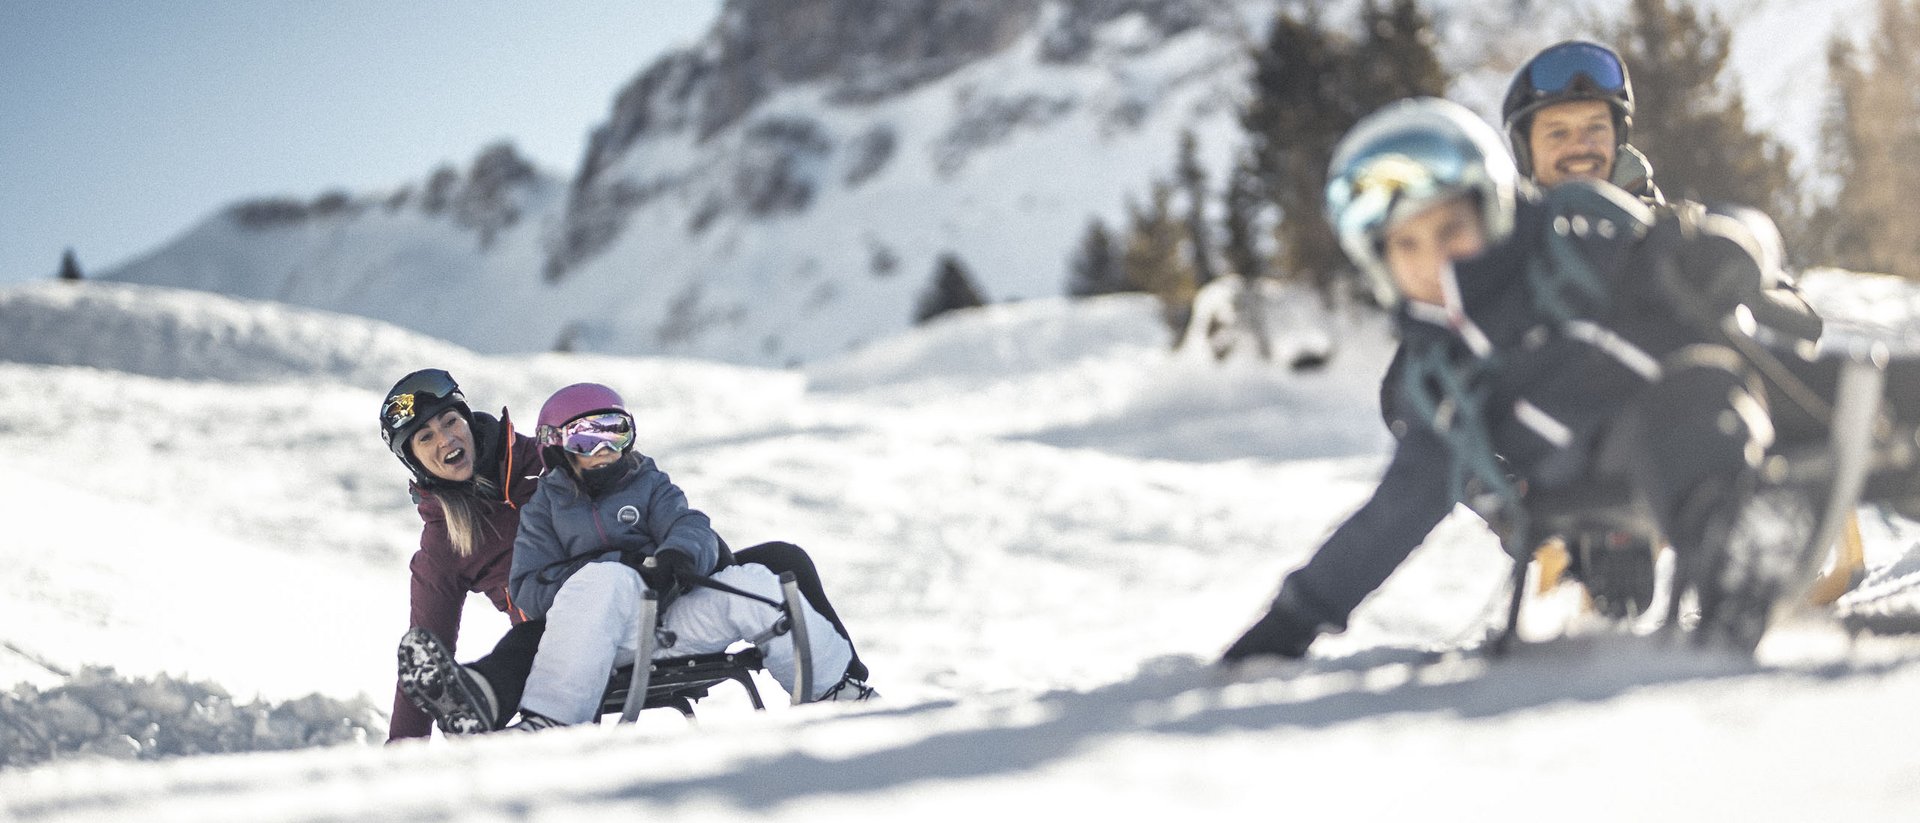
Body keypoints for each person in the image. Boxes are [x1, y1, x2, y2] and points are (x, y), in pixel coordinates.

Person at [1221, 98, 1920, 663]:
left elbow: (1690, 245)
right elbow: (1396, 512)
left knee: (1883, 392)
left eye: (1450, 230)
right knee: (1686, 403)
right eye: (1407, 245)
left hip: (1748, 379)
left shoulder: (1573, 237)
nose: (1434, 260)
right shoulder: (1441, 377)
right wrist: (1293, 619)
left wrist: (1717, 256)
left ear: (1491, 208)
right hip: (1617, 466)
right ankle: (1737, 553)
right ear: (1379, 262)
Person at [383, 371, 873, 741]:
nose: (446, 439)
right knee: (528, 643)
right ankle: (479, 702)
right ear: (413, 459)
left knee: (781, 560)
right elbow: (427, 642)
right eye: (425, 437)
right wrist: (402, 750)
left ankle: (846, 689)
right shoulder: (444, 545)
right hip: (561, 625)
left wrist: (685, 555)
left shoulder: (551, 458)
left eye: (450, 421)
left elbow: (654, 499)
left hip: (660, 588)